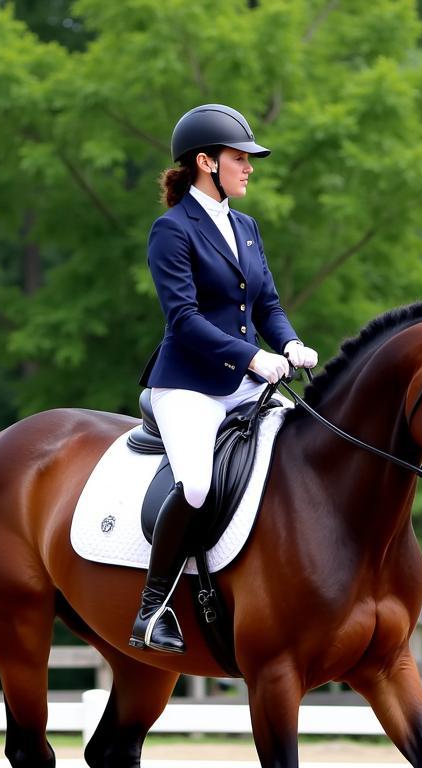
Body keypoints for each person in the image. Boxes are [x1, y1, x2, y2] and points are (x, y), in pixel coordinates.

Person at [130, 102, 319, 654]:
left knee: (304, 449)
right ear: (207, 163)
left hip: (244, 378)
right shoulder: (171, 231)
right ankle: (152, 607)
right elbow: (183, 319)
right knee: (195, 484)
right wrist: (254, 358)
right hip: (188, 385)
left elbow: (267, 304)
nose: (250, 167)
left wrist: (287, 342)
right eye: (241, 158)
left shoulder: (246, 226)